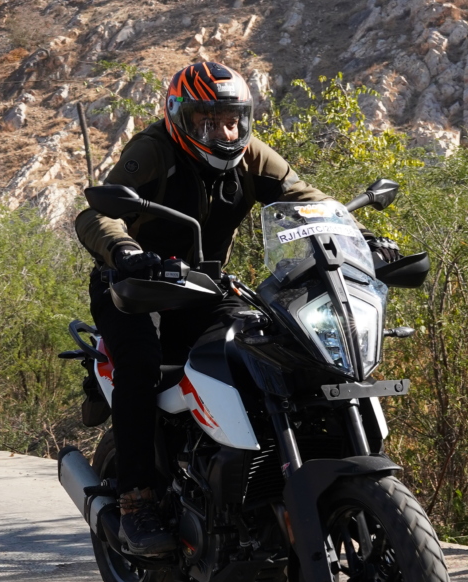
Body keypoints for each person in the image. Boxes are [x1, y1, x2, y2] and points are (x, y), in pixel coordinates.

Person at [74, 62, 398, 556]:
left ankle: (257, 475)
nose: (223, 133)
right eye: (208, 121)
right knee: (139, 365)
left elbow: (306, 200)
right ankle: (137, 500)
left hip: (204, 283)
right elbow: (97, 214)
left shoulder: (253, 156)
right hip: (133, 284)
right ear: (180, 117)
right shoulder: (154, 150)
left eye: (231, 120)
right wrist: (125, 251)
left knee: (269, 346)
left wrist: (357, 236)